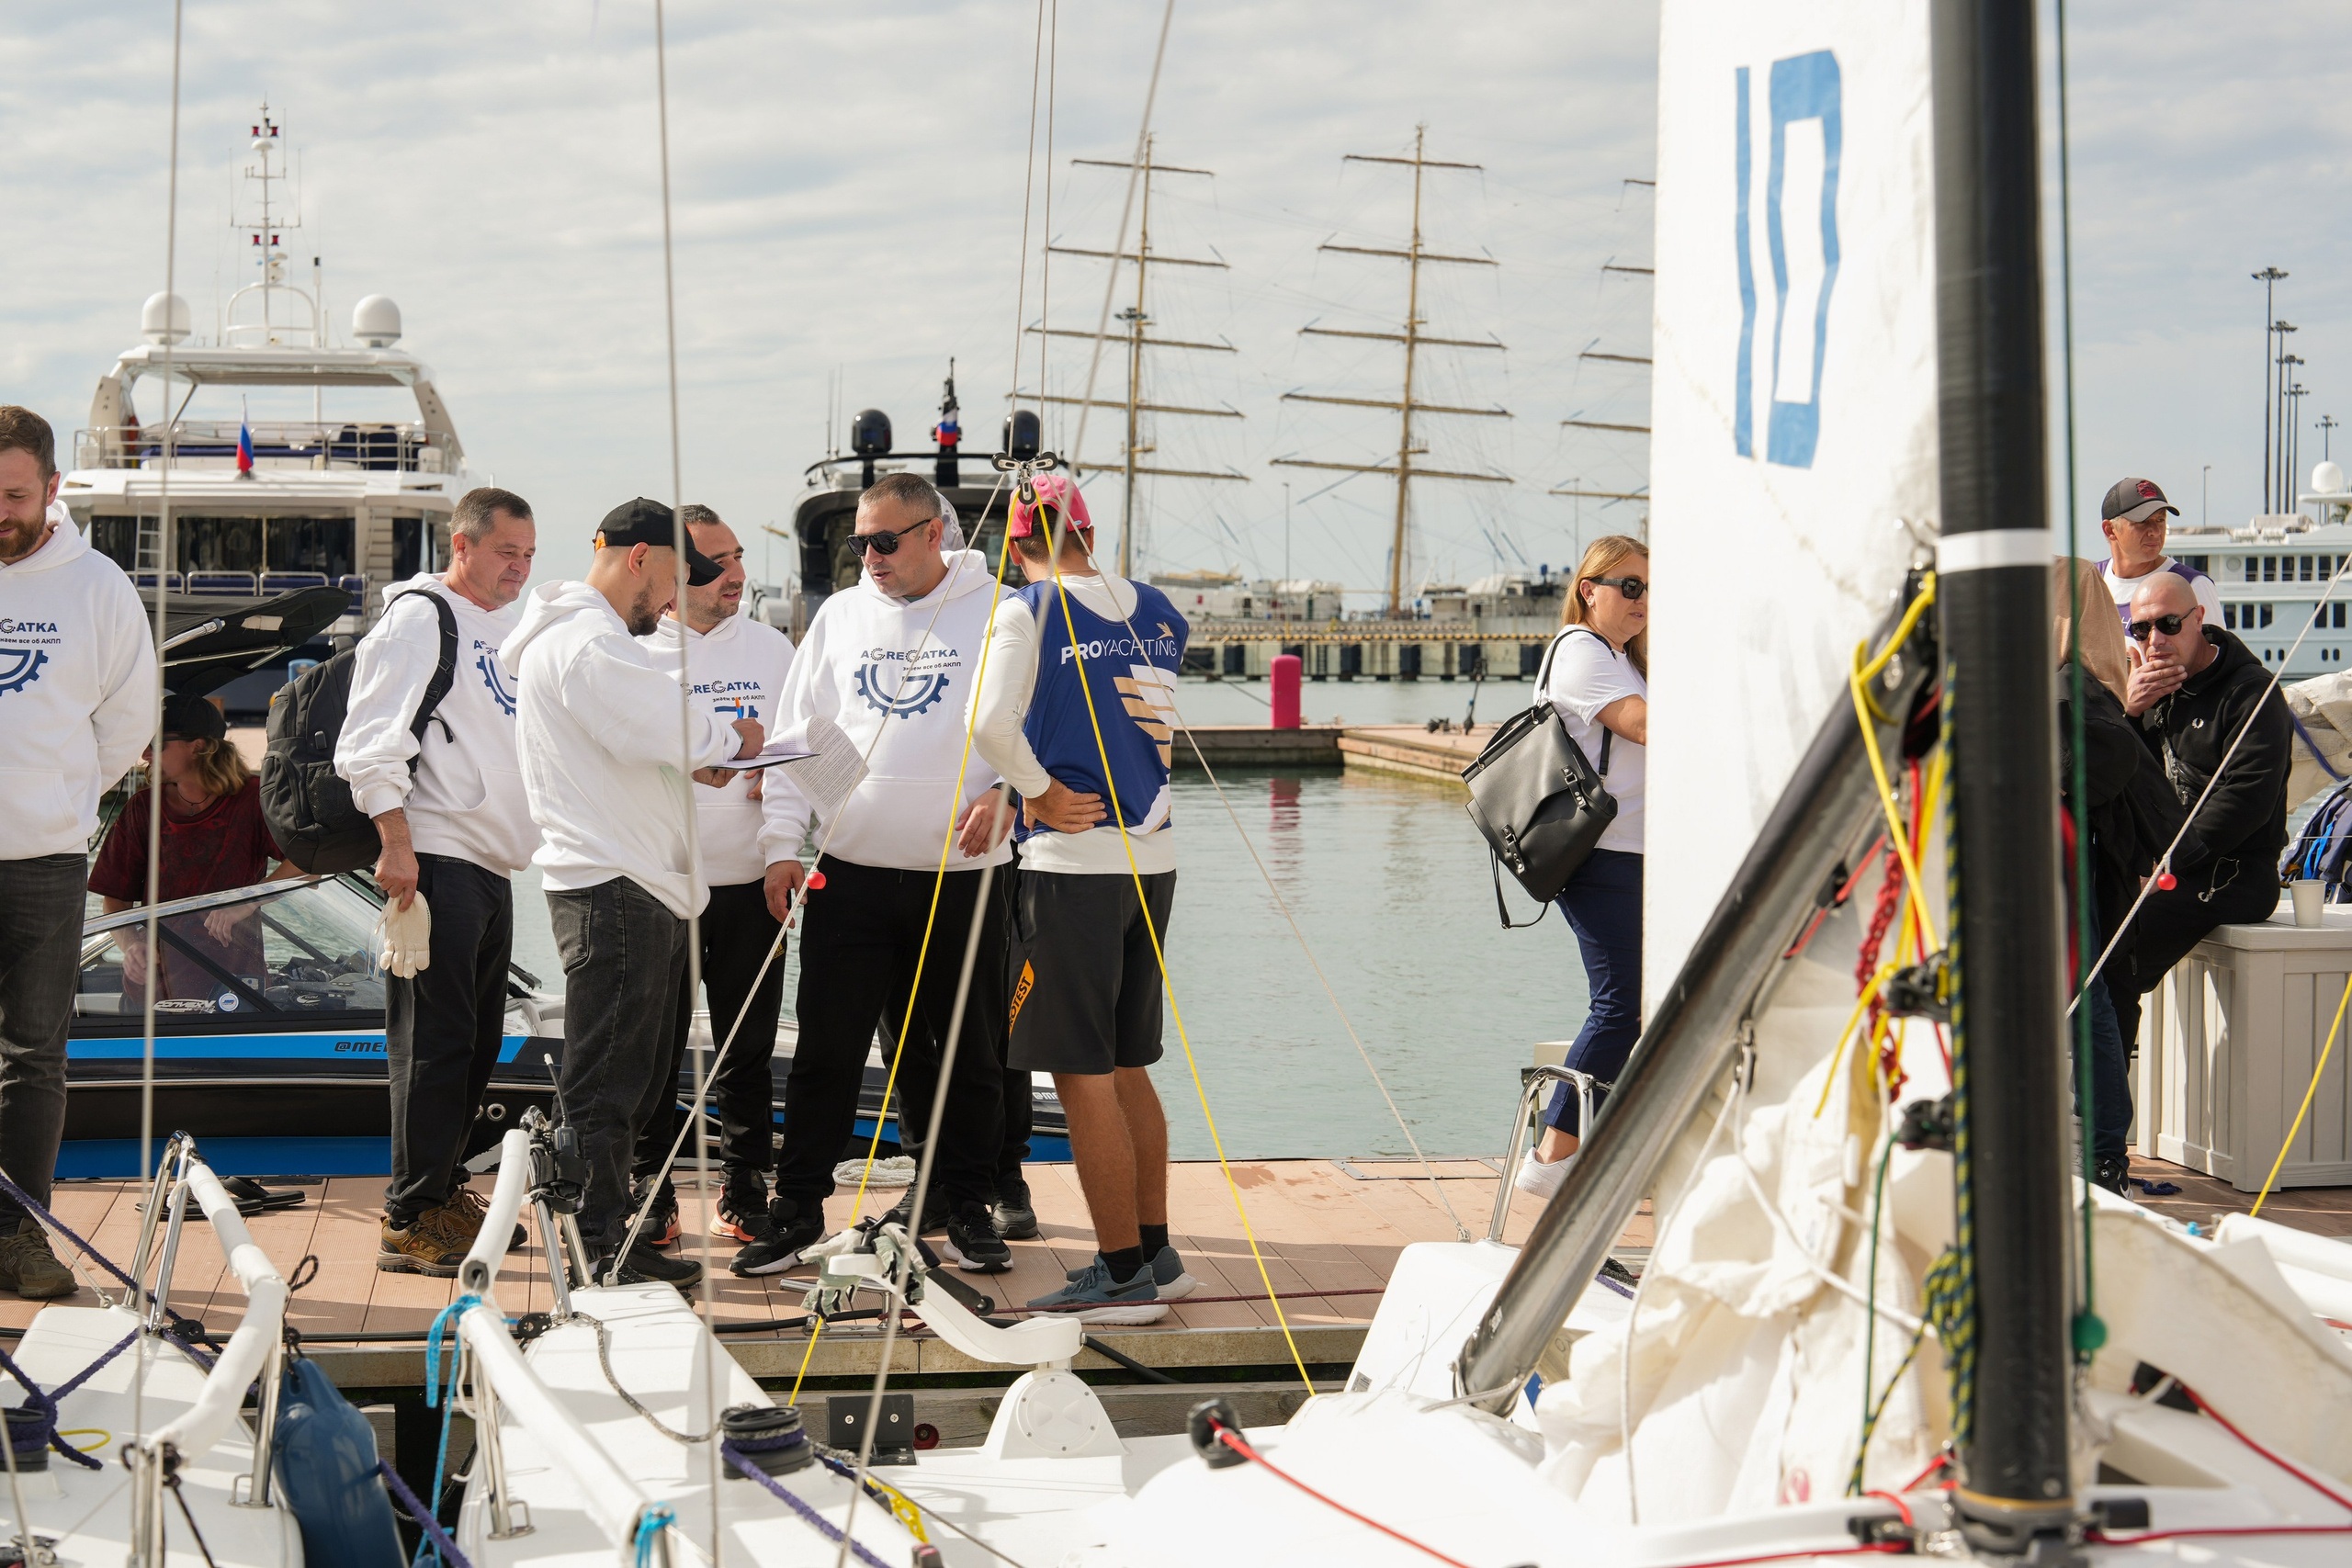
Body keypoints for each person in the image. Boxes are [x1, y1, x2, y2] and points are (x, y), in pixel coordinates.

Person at [737, 471, 1014, 1278]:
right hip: (849, 874)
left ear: (935, 533)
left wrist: (1010, 793)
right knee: (826, 1051)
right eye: (859, 542)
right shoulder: (839, 616)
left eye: (884, 541)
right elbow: (800, 741)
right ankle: (796, 1210)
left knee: (966, 1054)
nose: (869, 556)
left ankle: (966, 1204)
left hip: (961, 879)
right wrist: (781, 846)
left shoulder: (999, 611)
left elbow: (1038, 730)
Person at [504, 499, 762, 1289]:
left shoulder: (592, 641)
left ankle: (607, 1232)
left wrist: (699, 749)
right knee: (611, 1078)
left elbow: (644, 731)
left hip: (627, 879)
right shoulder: (586, 644)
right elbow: (658, 722)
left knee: (633, 1076)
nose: (674, 601)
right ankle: (597, 1247)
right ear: (641, 557)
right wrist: (733, 739)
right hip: (613, 883)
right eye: (676, 579)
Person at [967, 474, 1195, 1319]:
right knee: (1129, 1064)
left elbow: (990, 725)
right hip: (1152, 861)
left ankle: (1121, 1271)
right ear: (1089, 532)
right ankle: (1157, 1251)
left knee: (1081, 1075)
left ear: (1016, 544)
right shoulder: (1163, 609)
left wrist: (1030, 789)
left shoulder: (1028, 606)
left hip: (1071, 866)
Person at [335, 486, 540, 1275]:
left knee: (476, 1041)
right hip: (435, 854)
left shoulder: (504, 628)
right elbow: (370, 739)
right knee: (431, 1042)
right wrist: (395, 840)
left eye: (528, 553)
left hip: (490, 862)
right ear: (463, 546)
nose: (518, 567)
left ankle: (443, 1186)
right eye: (504, 551)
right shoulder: (423, 616)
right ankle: (411, 1213)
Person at [0, 404, 157, 1298]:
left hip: (45, 859)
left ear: (52, 490)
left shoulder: (95, 588)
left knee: (33, 1056)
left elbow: (126, 722)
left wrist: (59, 800)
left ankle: (20, 1235)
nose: (2, 512)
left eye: (16, 496)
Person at [633, 505, 796, 1249]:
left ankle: (744, 1188)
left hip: (751, 883)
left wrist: (790, 797)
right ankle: (651, 1193)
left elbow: (818, 750)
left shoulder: (772, 649)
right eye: (716, 563)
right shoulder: (634, 653)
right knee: (652, 1053)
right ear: (675, 576)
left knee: (748, 1051)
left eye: (737, 558)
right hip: (659, 886)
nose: (735, 574)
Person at [2107, 570, 2293, 1056]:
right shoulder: (2151, 691)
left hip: (2234, 870)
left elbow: (2247, 797)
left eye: (2169, 624)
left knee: (2117, 944)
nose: (2156, 640)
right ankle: (2093, 1093)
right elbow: (2124, 782)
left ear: (2199, 619)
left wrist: (2169, 858)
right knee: (2085, 913)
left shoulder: (2251, 693)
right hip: (2166, 862)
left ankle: (2096, 1118)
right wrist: (2129, 715)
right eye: (2142, 629)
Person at [1514, 536, 1648, 1199]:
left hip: (1635, 853)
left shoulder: (1621, 658)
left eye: (1649, 589)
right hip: (1602, 856)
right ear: (1588, 588)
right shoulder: (1581, 652)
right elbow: (1646, 727)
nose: (1640, 600)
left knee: (1644, 1003)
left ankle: (1610, 1145)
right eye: (1627, 585)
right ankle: (1548, 1160)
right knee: (1621, 1004)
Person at [2052, 558, 2178, 1195]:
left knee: (2085, 999)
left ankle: (2102, 1155)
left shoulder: (2070, 686)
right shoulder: (2090, 686)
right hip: (2080, 858)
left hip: (2062, 857)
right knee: (2088, 998)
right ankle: (2103, 1156)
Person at [89, 693, 302, 1001]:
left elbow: (309, 864)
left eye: (157, 744)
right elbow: (115, 902)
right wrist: (131, 945)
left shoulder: (255, 800)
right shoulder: (142, 808)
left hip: (236, 990)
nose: (146, 755)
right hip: (150, 993)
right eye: (143, 745)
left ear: (199, 746)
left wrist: (248, 900)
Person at [2097, 477, 2221, 631]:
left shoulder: (2193, 585)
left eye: (2160, 520)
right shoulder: (2089, 582)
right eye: (2142, 522)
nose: (2155, 532)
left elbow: (2216, 654)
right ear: (2110, 530)